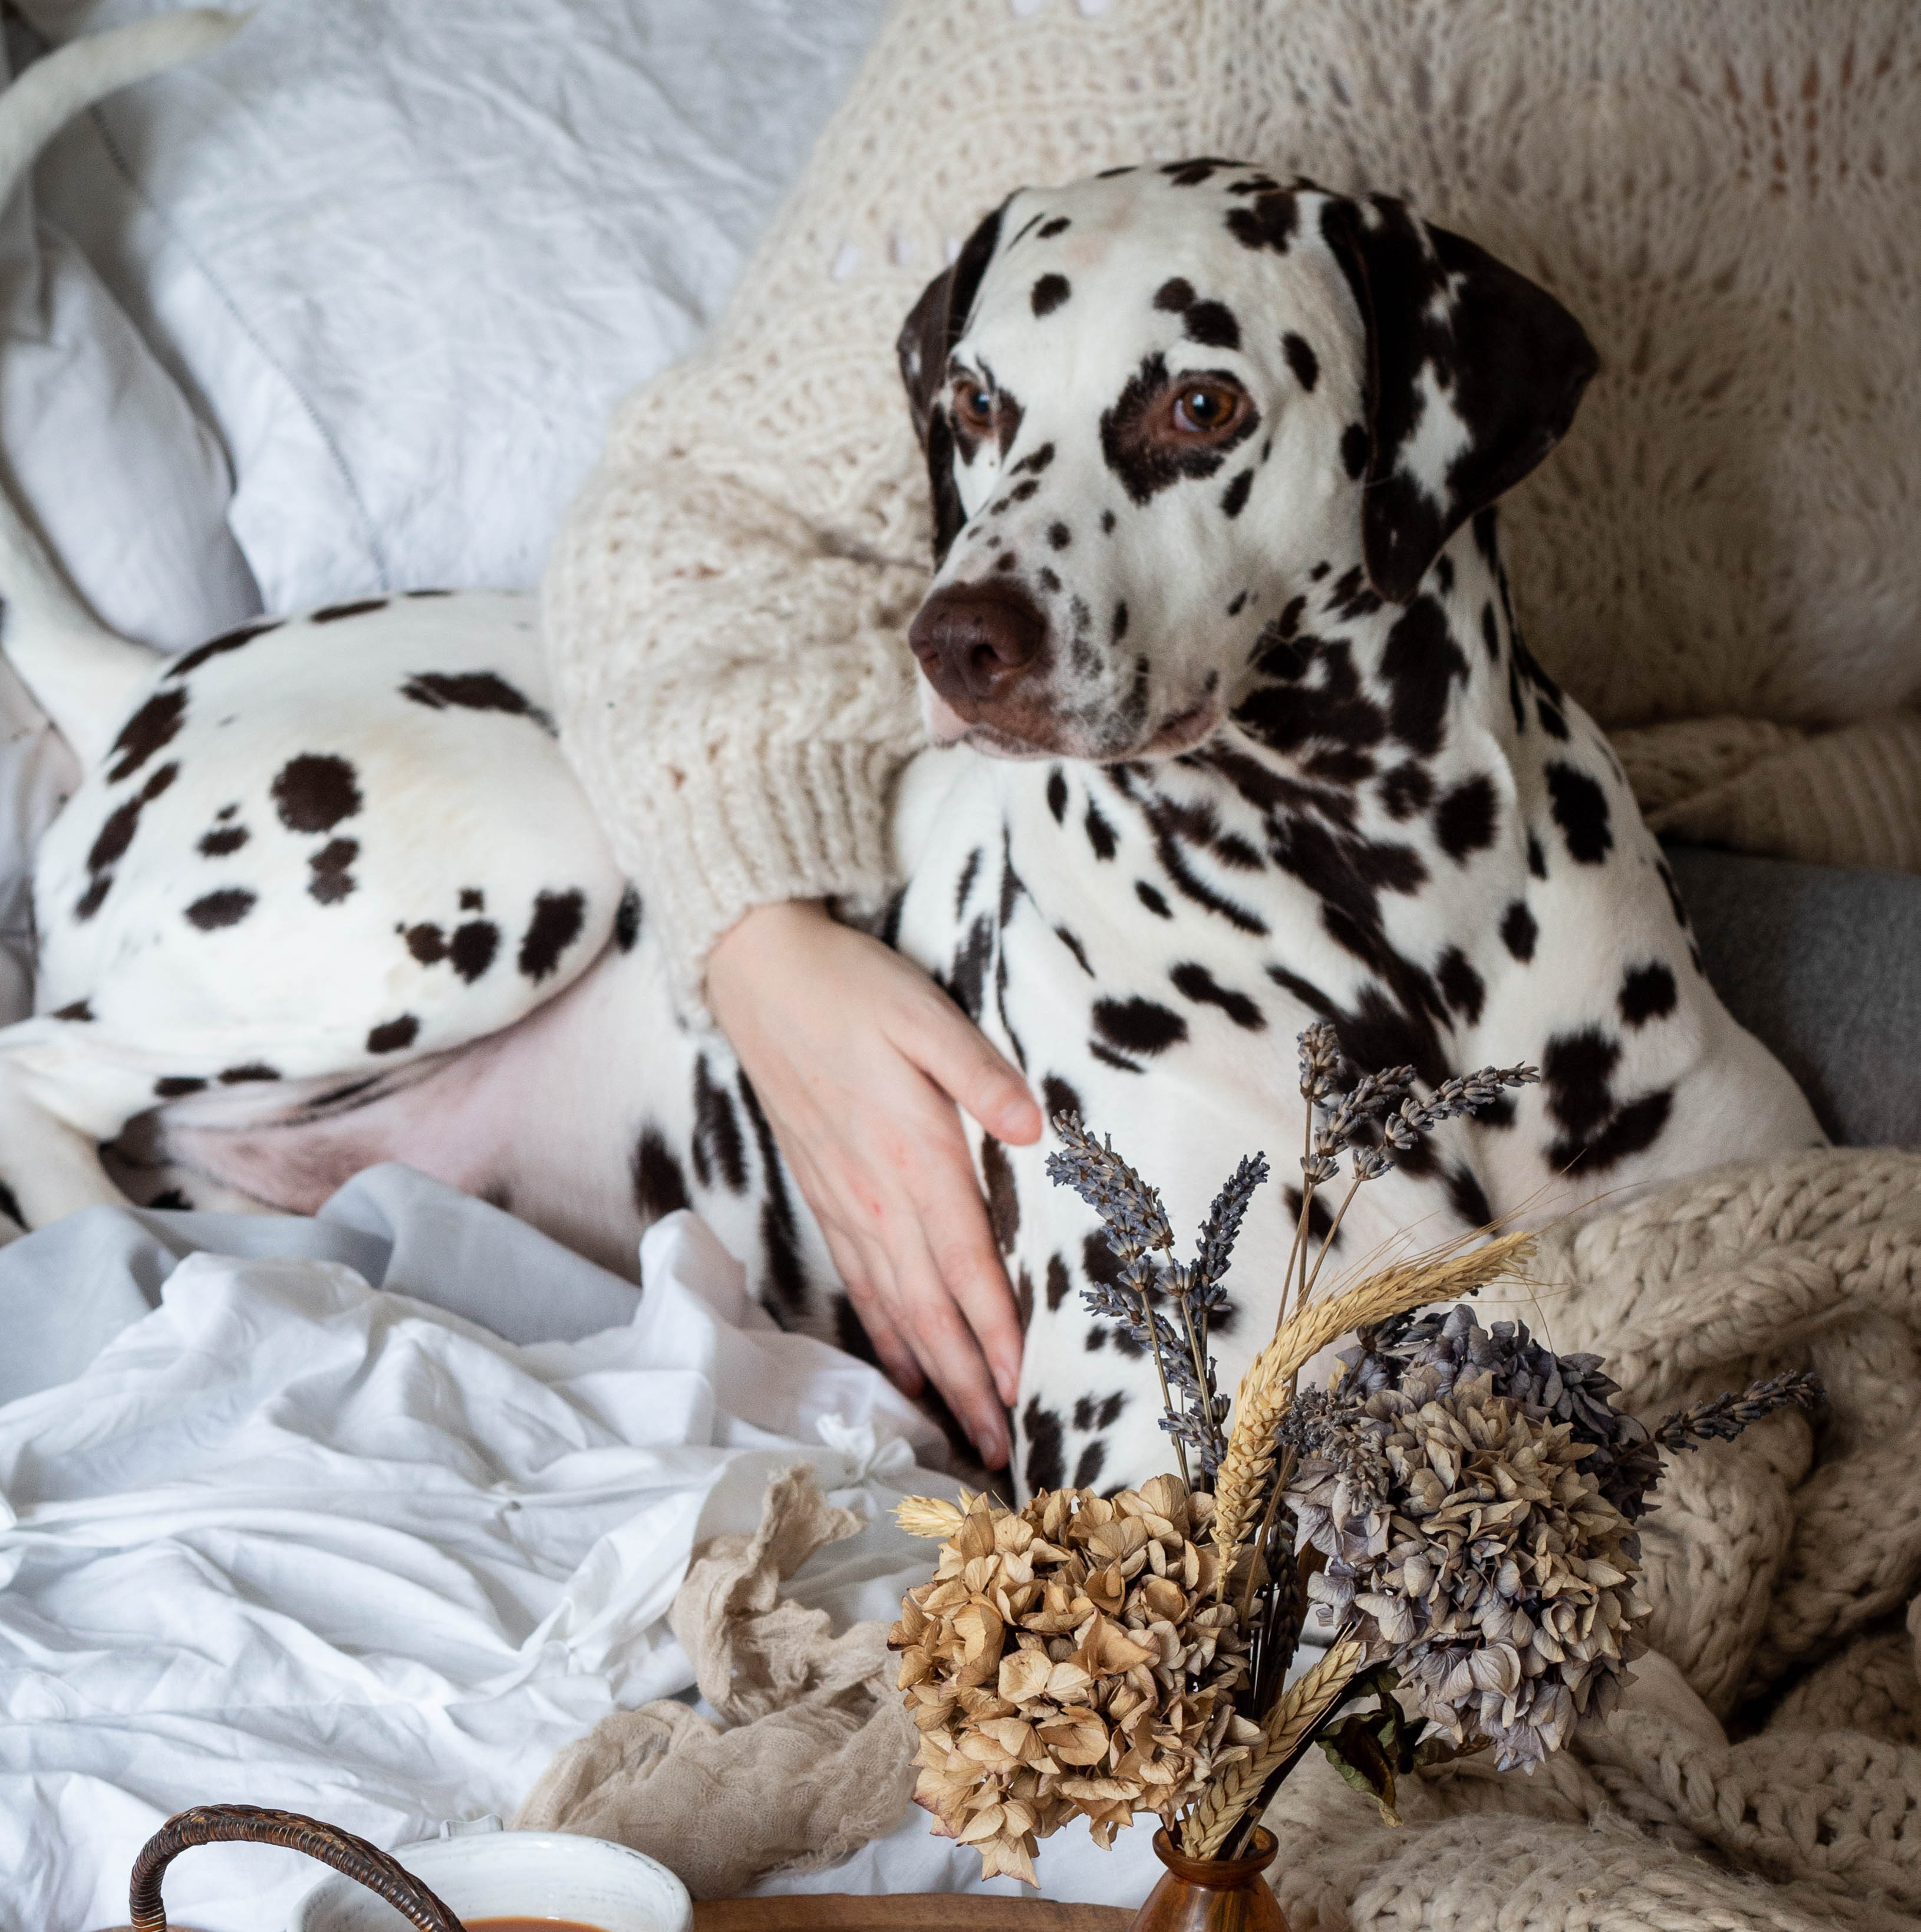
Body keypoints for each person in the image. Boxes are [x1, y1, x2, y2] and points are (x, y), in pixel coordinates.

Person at [543, 0, 1921, 1469]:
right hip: (607, 920)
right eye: (987, 420)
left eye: (1197, 410)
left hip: (1668, 850)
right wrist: (767, 949)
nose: (980, 586)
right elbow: (692, 518)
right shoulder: (1099, 43)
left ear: (1408, 452)